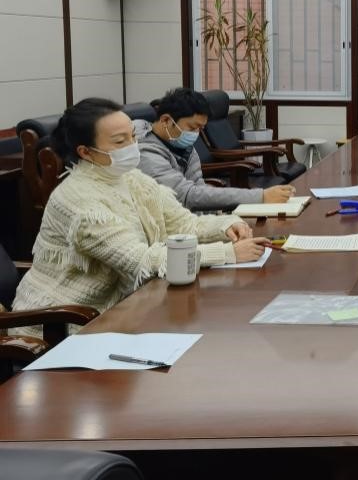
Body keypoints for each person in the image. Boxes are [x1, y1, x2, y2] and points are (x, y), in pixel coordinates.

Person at [12, 98, 271, 337]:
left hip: (121, 310)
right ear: (85, 152)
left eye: (133, 136)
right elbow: (141, 261)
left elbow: (182, 223)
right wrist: (227, 253)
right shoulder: (78, 200)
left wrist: (226, 226)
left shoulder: (130, 178)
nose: (132, 146)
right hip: (61, 325)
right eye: (119, 141)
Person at [134, 87, 295, 211]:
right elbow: (187, 196)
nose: (195, 134)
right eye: (192, 127)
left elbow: (199, 188)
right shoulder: (145, 154)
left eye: (200, 129)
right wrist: (260, 196)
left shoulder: (183, 146)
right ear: (166, 120)